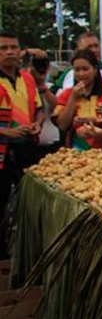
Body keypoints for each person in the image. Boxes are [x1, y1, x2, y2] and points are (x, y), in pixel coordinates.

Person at [0, 32, 46, 247]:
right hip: (2, 149)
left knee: (32, 199)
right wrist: (6, 132)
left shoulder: (27, 78)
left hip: (26, 145)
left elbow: (38, 108)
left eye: (13, 47)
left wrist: (38, 123)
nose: (9, 52)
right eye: (3, 48)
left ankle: (29, 247)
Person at [53, 49, 102, 153]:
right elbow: (62, 125)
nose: (81, 73)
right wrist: (73, 98)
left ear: (95, 70)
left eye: (85, 69)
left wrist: (101, 118)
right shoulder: (67, 94)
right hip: (76, 152)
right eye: (77, 70)